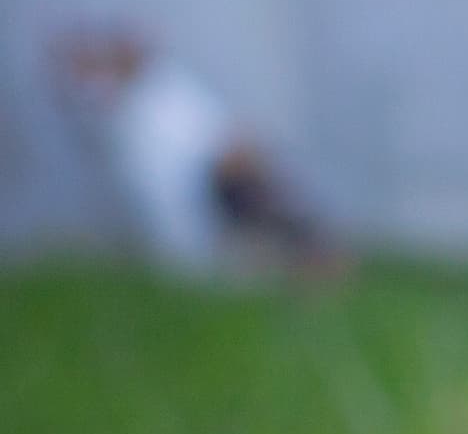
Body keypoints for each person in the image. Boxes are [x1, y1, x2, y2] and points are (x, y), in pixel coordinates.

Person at [47, 26, 345, 284]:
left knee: (267, 208)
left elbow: (221, 142)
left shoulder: (165, 98)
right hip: (212, 204)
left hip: (224, 193)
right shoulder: (133, 113)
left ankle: (311, 261)